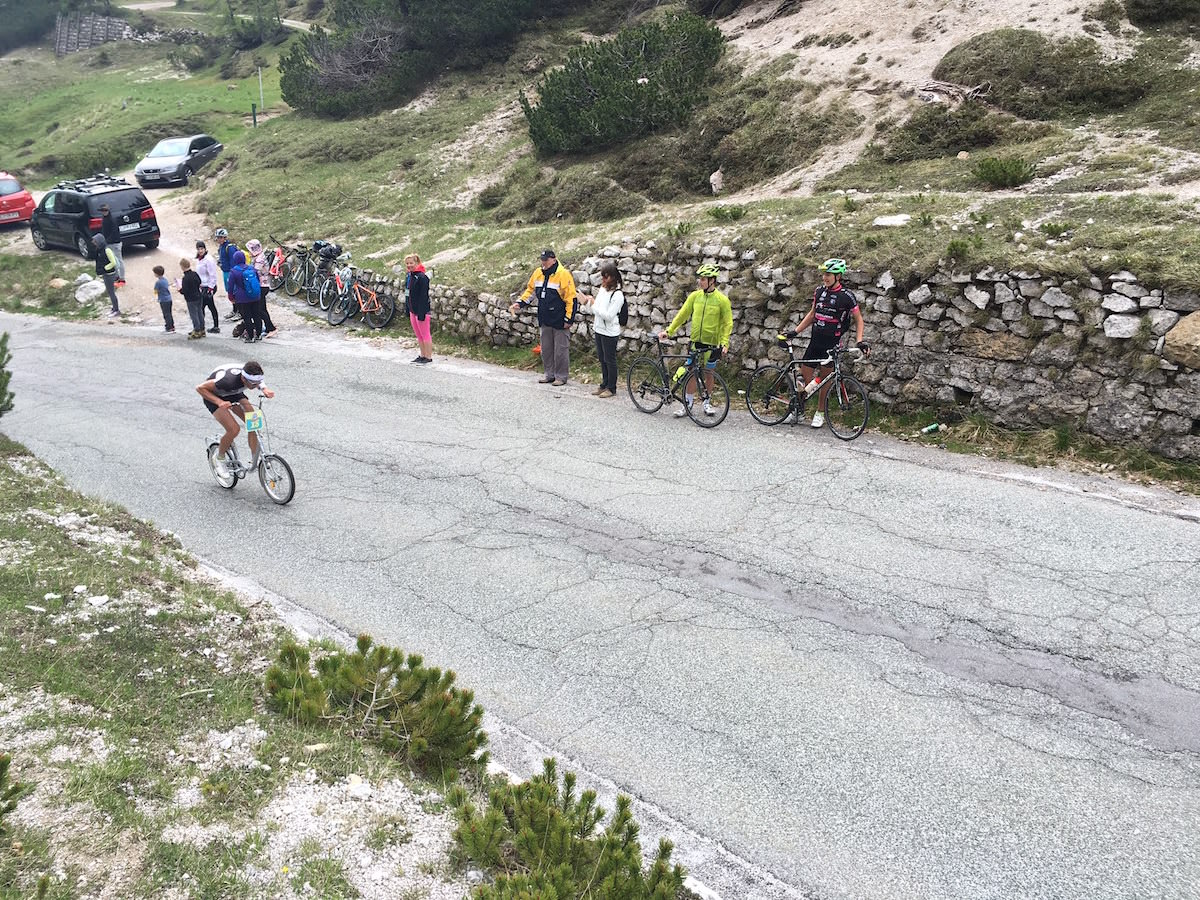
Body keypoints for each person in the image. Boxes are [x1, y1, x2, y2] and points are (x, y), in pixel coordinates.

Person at [779, 258, 870, 428]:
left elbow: (859, 320)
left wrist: (859, 341)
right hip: (815, 341)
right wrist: (796, 331)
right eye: (824, 274)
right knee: (804, 381)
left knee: (825, 381)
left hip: (832, 343)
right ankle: (799, 410)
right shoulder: (819, 291)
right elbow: (812, 314)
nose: (824, 277)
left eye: (828, 274)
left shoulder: (847, 296)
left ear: (838, 276)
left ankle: (820, 412)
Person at [658, 263, 732, 418]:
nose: (700, 282)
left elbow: (727, 323)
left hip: (712, 343)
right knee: (691, 372)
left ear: (712, 280)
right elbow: (682, 315)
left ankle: (707, 403)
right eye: (700, 279)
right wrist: (669, 331)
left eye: (703, 279)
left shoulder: (722, 300)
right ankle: (688, 403)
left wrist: (725, 343)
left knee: (709, 373)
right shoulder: (694, 297)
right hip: (696, 341)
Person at [508, 249, 577, 386]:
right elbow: (531, 291)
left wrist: (569, 319)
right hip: (544, 318)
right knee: (546, 349)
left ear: (554, 259)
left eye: (546, 260)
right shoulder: (537, 273)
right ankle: (549, 375)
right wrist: (520, 303)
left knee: (560, 350)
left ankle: (561, 377)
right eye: (542, 260)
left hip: (560, 318)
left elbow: (571, 299)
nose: (543, 262)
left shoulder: (563, 274)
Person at [195, 361, 274, 478]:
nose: (255, 386)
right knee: (234, 429)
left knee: (254, 423)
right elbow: (200, 388)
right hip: (214, 396)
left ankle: (255, 459)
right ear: (243, 378)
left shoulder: (251, 376)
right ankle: (219, 458)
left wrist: (264, 388)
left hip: (234, 392)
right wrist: (219, 402)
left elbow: (258, 381)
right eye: (253, 384)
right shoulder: (226, 381)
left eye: (258, 382)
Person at [579, 262, 624, 397]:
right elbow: (596, 309)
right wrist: (587, 301)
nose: (603, 280)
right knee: (602, 359)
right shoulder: (603, 290)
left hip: (610, 332)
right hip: (599, 329)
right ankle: (604, 385)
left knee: (610, 360)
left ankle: (611, 388)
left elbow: (609, 316)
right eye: (602, 277)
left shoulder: (618, 295)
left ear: (613, 277)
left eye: (606, 277)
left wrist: (593, 305)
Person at [245, 239, 278, 338]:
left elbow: (254, 271)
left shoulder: (259, 259)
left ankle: (271, 328)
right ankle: (267, 327)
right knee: (262, 308)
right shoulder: (258, 257)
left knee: (260, 309)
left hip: (262, 286)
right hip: (262, 285)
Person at [227, 250, 262, 343]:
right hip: (255, 296)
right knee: (256, 315)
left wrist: (231, 297)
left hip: (242, 298)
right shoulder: (252, 269)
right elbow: (258, 281)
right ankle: (258, 334)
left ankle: (250, 336)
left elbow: (230, 287)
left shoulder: (233, 271)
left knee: (247, 317)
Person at [404, 252, 433, 364]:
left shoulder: (422, 277)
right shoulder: (409, 276)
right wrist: (408, 308)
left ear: (417, 263)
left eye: (411, 263)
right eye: (407, 263)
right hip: (413, 310)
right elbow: (408, 293)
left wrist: (421, 312)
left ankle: (428, 357)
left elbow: (423, 296)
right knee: (419, 335)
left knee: (425, 334)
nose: (409, 265)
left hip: (422, 311)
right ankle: (422, 355)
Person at [92, 234, 120, 318]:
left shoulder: (107, 250)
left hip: (110, 274)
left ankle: (116, 310)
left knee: (111, 292)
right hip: (105, 274)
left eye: (95, 241)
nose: (93, 243)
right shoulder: (99, 250)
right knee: (110, 292)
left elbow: (113, 262)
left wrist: (105, 268)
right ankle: (114, 308)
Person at [195, 240, 220, 333]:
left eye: (202, 248)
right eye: (198, 249)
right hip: (202, 286)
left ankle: (201, 327)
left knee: (203, 306)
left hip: (208, 286)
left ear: (205, 249)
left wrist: (210, 288)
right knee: (210, 306)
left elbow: (212, 274)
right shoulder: (199, 259)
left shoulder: (208, 260)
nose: (200, 251)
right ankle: (214, 326)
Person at [97, 203, 126, 286]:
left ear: (108, 210)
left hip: (115, 243)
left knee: (119, 261)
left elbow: (114, 232)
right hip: (109, 243)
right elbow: (104, 231)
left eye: (105, 210)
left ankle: (122, 279)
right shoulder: (104, 219)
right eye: (102, 210)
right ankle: (116, 277)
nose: (104, 212)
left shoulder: (112, 219)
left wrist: (106, 241)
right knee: (114, 261)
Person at [214, 228, 240, 318]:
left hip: (230, 272)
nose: (218, 239)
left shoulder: (230, 248)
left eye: (220, 237)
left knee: (234, 291)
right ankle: (235, 310)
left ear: (224, 237)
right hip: (225, 272)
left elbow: (233, 262)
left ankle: (239, 311)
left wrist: (233, 274)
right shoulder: (221, 247)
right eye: (218, 237)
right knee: (230, 291)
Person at [178, 257, 205, 339]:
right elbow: (199, 282)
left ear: (182, 267)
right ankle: (202, 329)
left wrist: (180, 290)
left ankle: (197, 330)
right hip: (199, 296)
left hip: (191, 299)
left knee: (194, 315)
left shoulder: (185, 278)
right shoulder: (194, 274)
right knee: (200, 312)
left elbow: (185, 290)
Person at [152, 264, 174, 333]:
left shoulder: (158, 282)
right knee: (169, 313)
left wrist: (156, 294)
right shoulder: (165, 280)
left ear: (156, 274)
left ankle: (169, 327)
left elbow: (155, 291)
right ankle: (172, 326)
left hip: (163, 300)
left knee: (166, 314)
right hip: (169, 298)